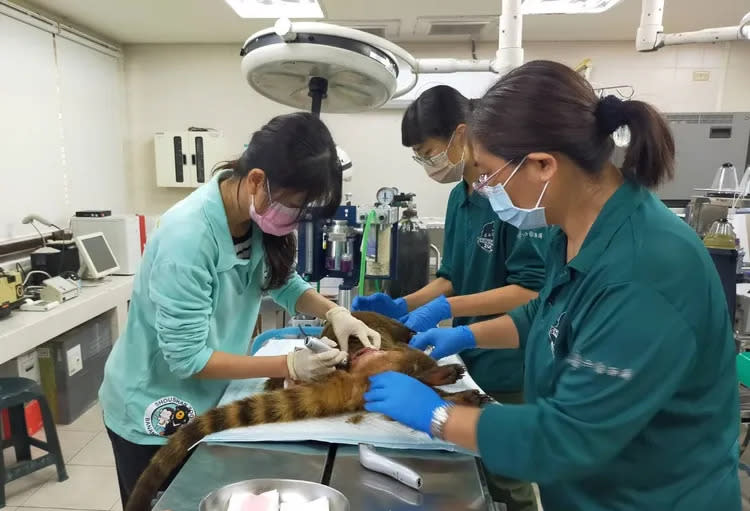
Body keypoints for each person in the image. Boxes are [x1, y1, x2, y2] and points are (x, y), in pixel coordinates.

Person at [364, 60, 740, 510]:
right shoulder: (572, 232)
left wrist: (437, 415)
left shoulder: (646, 271)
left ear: (543, 165)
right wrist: (464, 332)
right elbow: (546, 309)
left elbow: (566, 437)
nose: (483, 188)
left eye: (488, 174)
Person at [99, 112, 381, 506]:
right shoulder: (188, 238)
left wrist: (335, 314)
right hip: (155, 404)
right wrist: (287, 366)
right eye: (294, 206)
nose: (293, 220)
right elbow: (187, 358)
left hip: (209, 397)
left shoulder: (250, 219)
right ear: (255, 181)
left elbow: (283, 283)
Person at [354, 85, 546, 511]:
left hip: (509, 362)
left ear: (460, 136)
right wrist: (406, 304)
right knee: (471, 468)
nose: (426, 163)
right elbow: (452, 277)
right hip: (468, 358)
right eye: (418, 156)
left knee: (508, 476)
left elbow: (530, 290)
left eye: (428, 151)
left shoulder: (512, 197)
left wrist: (447, 312)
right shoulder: (461, 197)